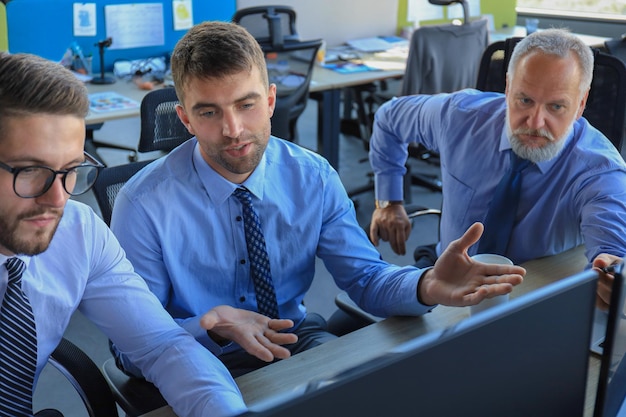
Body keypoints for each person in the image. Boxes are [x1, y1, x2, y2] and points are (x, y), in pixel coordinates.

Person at [109, 20, 525, 379]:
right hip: (192, 354)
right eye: (209, 113)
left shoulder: (313, 177)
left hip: (294, 334)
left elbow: (365, 278)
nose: (233, 129)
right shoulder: (143, 204)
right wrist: (210, 328)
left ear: (270, 100)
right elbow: (133, 346)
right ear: (184, 118)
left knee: (361, 395)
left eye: (246, 104)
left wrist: (428, 283)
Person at [0, 52, 264, 417]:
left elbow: (160, 345)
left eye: (71, 169)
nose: (57, 198)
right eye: (30, 170)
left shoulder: (79, 233)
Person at [367, 28, 625, 311]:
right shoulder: (459, 118)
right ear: (507, 87)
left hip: (528, 300)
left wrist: (611, 272)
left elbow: (612, 246)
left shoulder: (599, 170)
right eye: (524, 100)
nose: (536, 123)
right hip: (443, 274)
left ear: (581, 104)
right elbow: (389, 118)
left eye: (556, 106)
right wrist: (388, 200)